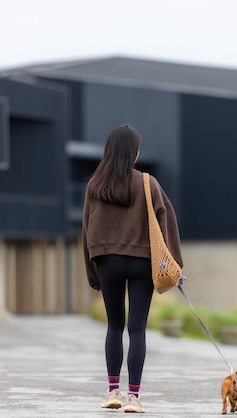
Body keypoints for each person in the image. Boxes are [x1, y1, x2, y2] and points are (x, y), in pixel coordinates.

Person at [82, 124, 183, 413]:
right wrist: (175, 266)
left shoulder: (94, 185)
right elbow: (167, 224)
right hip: (142, 263)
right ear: (133, 152)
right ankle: (134, 398)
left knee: (114, 326)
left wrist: (93, 274)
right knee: (136, 329)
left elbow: (87, 232)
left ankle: (112, 391)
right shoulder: (148, 184)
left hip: (108, 262)